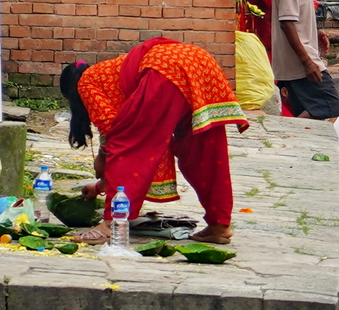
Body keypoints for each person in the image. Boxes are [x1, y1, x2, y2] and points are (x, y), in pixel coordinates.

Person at [59, 39, 247, 245]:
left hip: (164, 67)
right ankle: (219, 226)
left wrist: (102, 158)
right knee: (202, 153)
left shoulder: (87, 81)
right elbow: (147, 132)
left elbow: (116, 133)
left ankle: (111, 224)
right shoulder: (109, 72)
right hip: (201, 62)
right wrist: (101, 185)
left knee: (130, 144)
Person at [271, 0, 339, 119]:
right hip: (300, 61)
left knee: (306, 111)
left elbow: (296, 15)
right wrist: (307, 62)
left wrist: (314, 34)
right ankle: (285, 137)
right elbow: (286, 22)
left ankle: (294, 143)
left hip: (302, 54)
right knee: (330, 105)